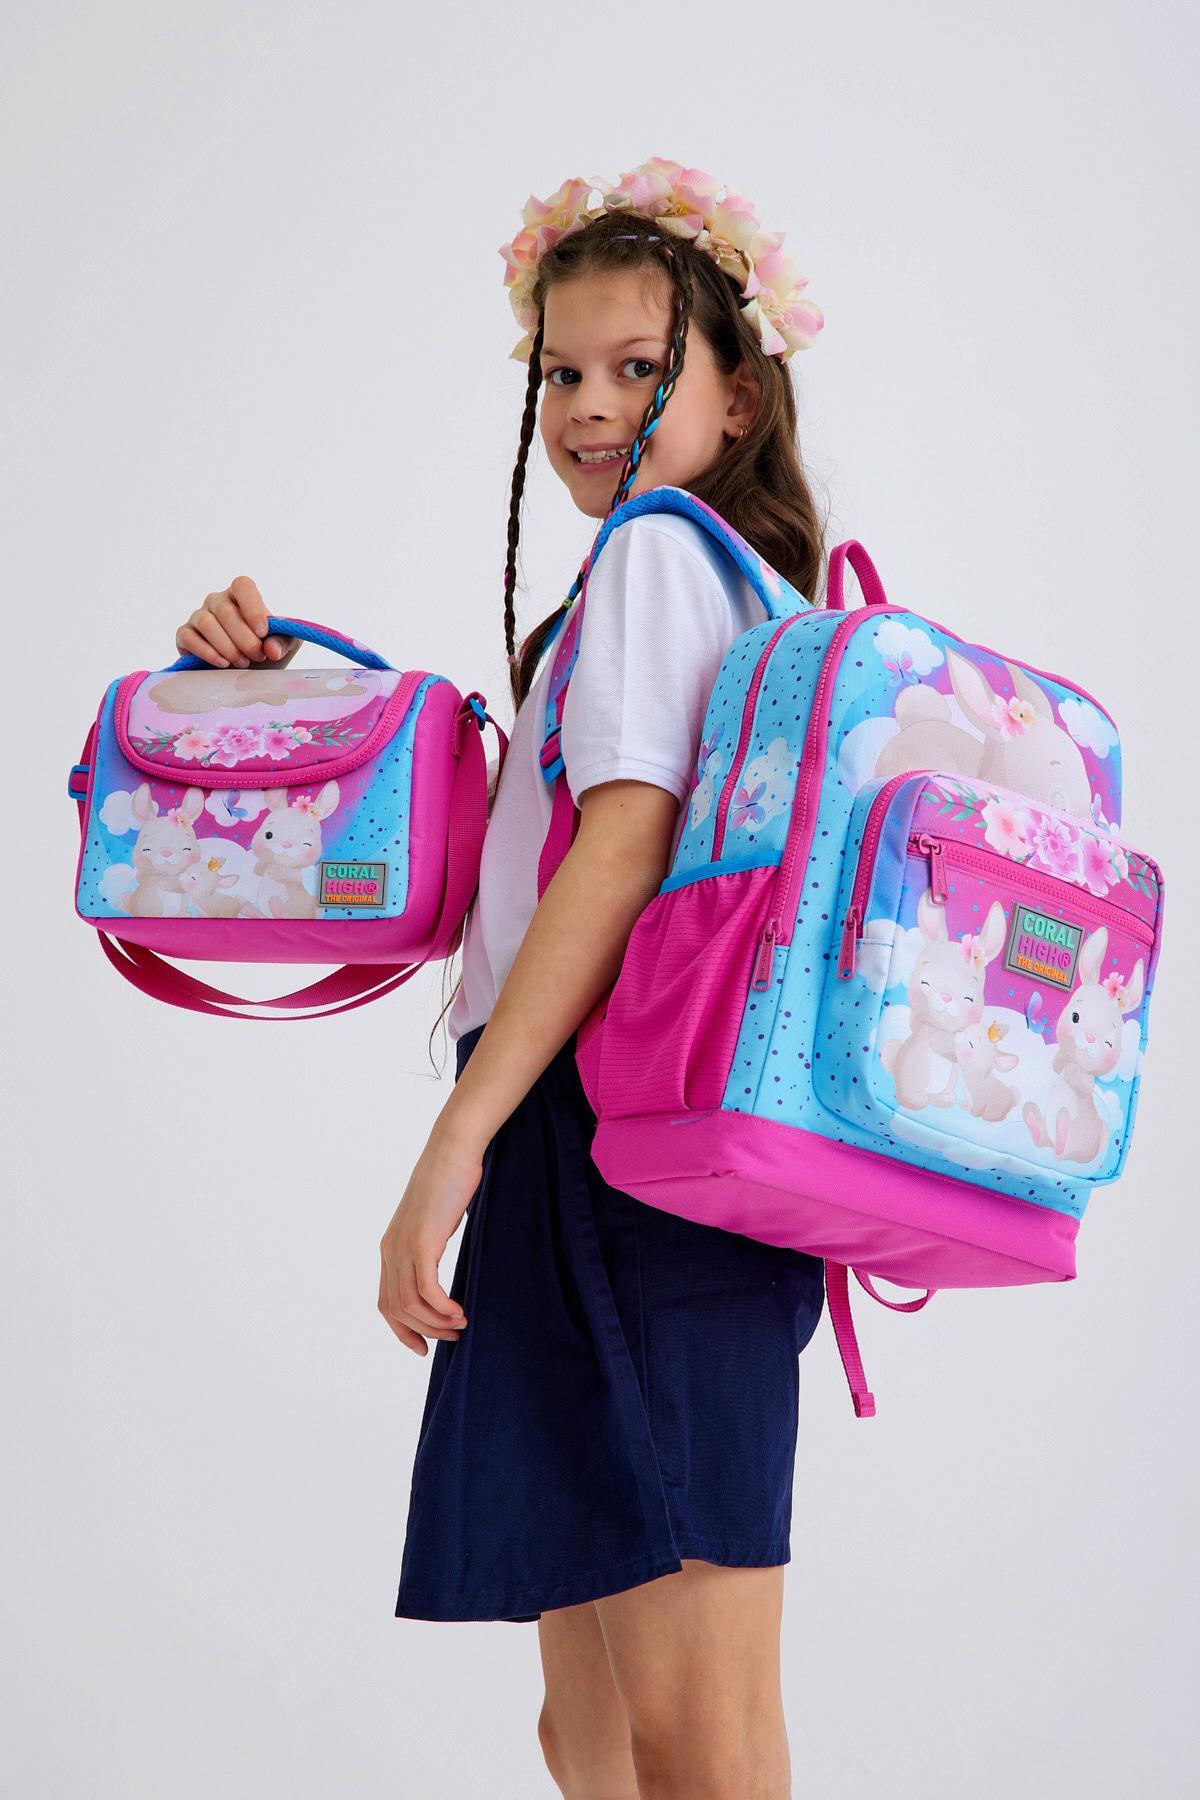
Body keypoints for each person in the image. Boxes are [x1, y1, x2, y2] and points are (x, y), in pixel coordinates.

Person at [176, 156, 831, 1800]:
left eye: (639, 367)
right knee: (594, 1730)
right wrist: (266, 697)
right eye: (563, 370)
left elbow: (621, 846)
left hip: (615, 1152)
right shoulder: (686, 589)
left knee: (696, 1740)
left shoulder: (666, 556)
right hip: (623, 1153)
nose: (591, 406)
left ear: (738, 397)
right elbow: (500, 874)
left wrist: (452, 1144)